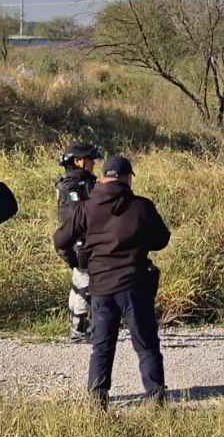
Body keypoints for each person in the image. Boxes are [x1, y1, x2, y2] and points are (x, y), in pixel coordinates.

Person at [53, 156, 171, 408]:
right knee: (146, 345)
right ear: (128, 178)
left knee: (102, 346)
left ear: (105, 177)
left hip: (101, 287)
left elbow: (60, 239)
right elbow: (162, 239)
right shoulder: (142, 206)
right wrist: (139, 243)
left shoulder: (86, 206)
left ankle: (97, 400)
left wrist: (82, 260)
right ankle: (156, 399)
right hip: (134, 286)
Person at [54, 143, 102, 342]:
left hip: (76, 241)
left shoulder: (78, 182)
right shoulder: (73, 186)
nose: (93, 164)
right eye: (90, 160)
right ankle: (79, 330)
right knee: (85, 283)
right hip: (80, 242)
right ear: (78, 161)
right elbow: (76, 217)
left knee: (78, 280)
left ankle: (76, 327)